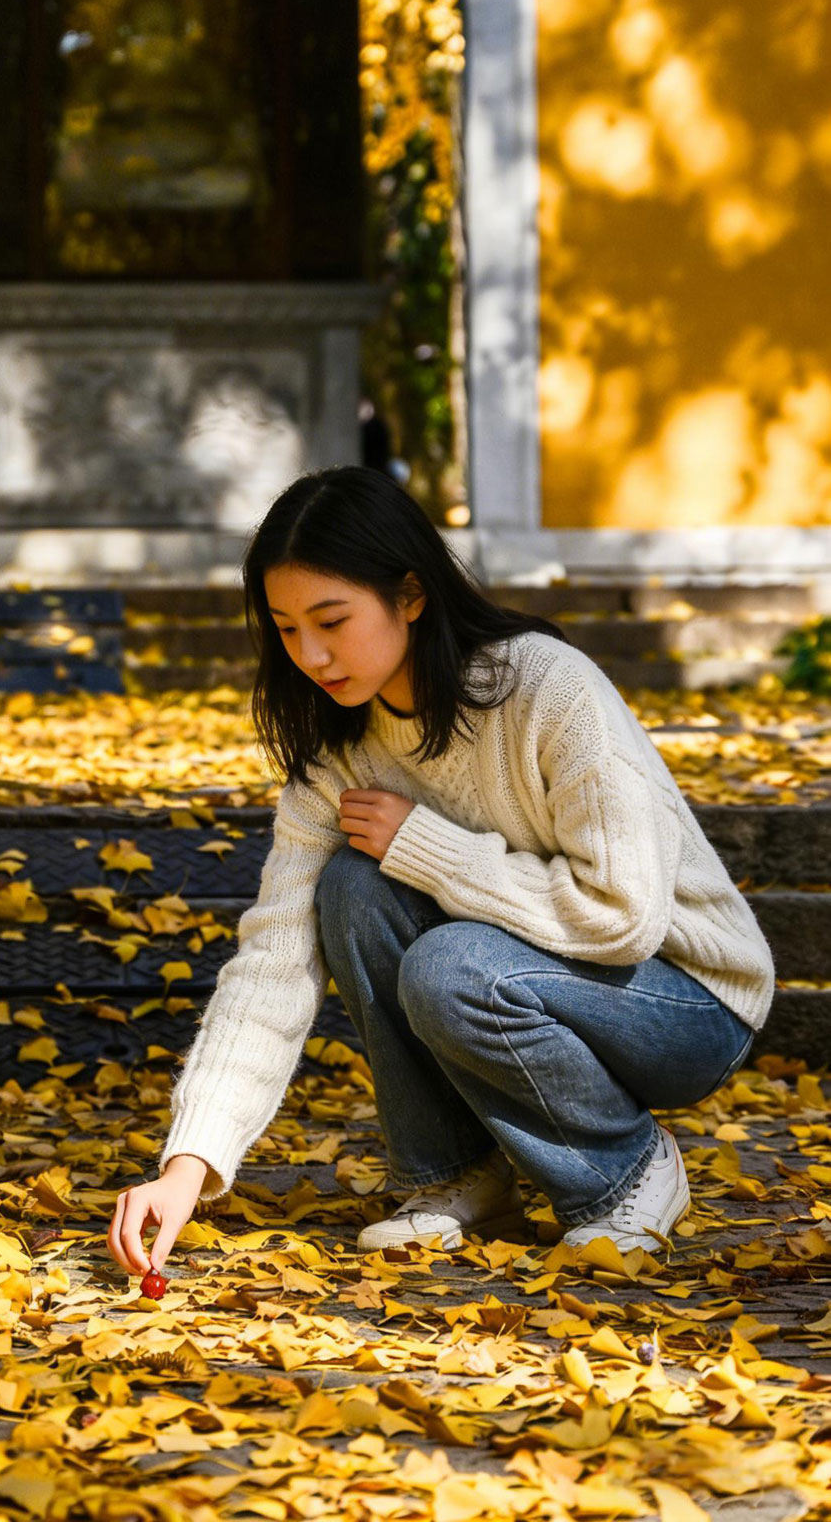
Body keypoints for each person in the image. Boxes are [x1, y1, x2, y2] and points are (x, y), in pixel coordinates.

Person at [108, 465, 773, 1279]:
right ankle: (456, 1176)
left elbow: (623, 915)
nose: (311, 654)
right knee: (351, 890)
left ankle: (624, 1171)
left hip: (686, 999)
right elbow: (274, 961)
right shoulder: (337, 755)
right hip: (525, 977)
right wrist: (189, 1166)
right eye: (285, 629)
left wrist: (430, 848)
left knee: (449, 963)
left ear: (411, 595)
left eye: (332, 620)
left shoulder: (546, 689)